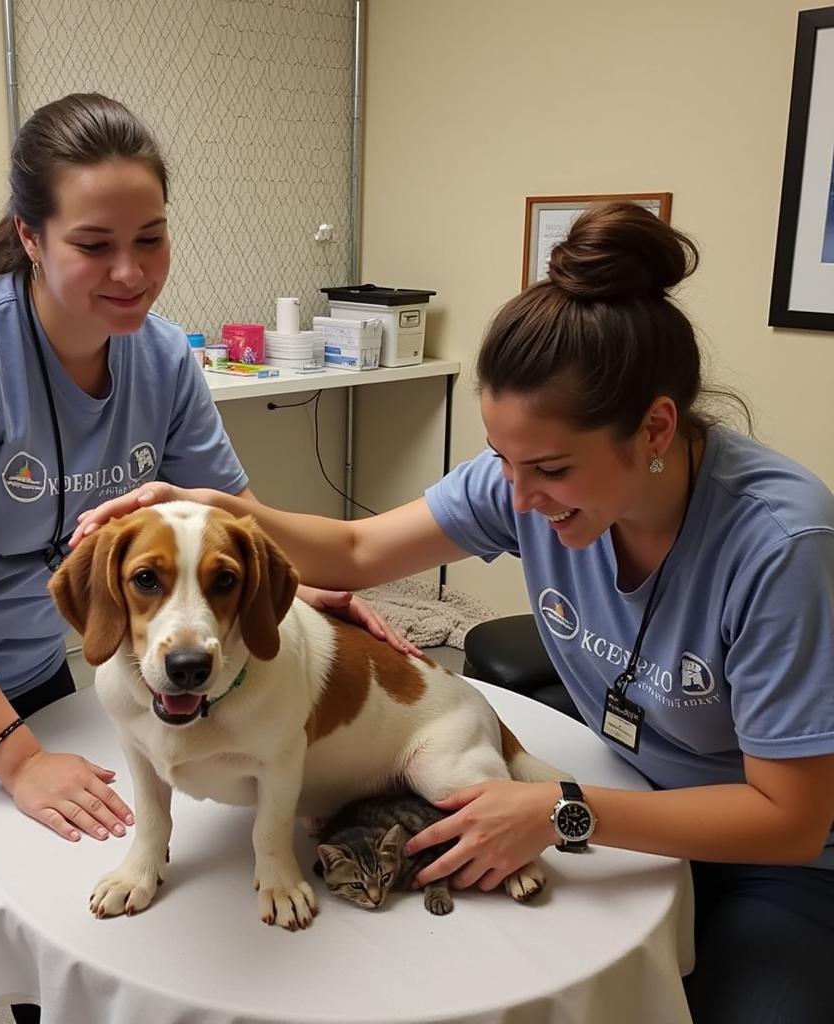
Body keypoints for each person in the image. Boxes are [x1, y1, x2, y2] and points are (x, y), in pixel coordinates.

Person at [73, 201, 834, 1024]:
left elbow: (790, 822)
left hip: (768, 856)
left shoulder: (782, 545)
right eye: (500, 459)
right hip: (612, 779)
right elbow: (361, 553)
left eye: (547, 468)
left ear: (654, 428)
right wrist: (214, 507)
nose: (515, 496)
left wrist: (560, 812)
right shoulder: (526, 486)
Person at [0, 93, 404, 1024]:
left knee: (61, 937)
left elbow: (231, 520)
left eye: (152, 239)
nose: (131, 273)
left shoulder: (161, 357)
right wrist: (16, 756)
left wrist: (305, 596)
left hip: (30, 652)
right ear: (31, 237)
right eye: (94, 244)